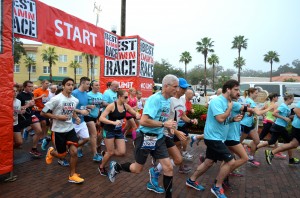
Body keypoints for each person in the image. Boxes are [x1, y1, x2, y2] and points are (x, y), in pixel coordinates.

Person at [107, 74, 178, 198]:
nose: (176, 90)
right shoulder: (155, 99)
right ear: (166, 86)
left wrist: (170, 126)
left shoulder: (168, 100)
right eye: (175, 87)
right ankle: (117, 166)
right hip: (145, 137)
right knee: (137, 169)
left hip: (159, 138)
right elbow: (144, 121)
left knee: (168, 168)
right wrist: (163, 124)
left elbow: (164, 119)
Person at [186, 79, 241, 198]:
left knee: (208, 162)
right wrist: (229, 109)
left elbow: (223, 120)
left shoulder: (227, 101)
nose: (238, 92)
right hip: (213, 138)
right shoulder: (217, 101)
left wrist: (232, 119)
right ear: (228, 89)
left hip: (218, 138)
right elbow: (220, 119)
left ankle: (191, 180)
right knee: (230, 161)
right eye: (236, 89)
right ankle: (217, 186)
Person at [41, 77, 84, 183]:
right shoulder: (56, 99)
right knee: (62, 155)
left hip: (70, 129)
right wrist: (57, 117)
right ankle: (51, 152)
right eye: (68, 84)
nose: (71, 86)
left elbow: (72, 110)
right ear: (63, 86)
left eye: (72, 85)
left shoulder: (75, 100)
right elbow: (43, 112)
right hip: (58, 130)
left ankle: (72, 175)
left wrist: (76, 117)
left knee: (74, 152)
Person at [98, 89, 140, 176]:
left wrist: (137, 115)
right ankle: (101, 167)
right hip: (109, 130)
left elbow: (134, 113)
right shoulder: (112, 106)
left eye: (127, 97)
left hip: (118, 131)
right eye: (125, 97)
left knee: (122, 152)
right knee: (111, 152)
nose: (127, 99)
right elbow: (101, 118)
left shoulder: (126, 106)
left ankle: (105, 153)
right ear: (119, 97)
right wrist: (113, 122)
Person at [259, 94, 299, 165]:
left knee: (272, 141)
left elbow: (285, 116)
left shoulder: (286, 106)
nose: (293, 101)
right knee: (290, 143)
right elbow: (274, 113)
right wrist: (284, 118)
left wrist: (291, 117)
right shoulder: (283, 106)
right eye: (293, 99)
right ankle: (290, 159)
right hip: (279, 126)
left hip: (278, 126)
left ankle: (256, 147)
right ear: (289, 99)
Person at [239, 88, 274, 167]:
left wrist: (262, 113)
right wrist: (268, 108)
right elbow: (257, 112)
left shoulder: (250, 101)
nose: (257, 94)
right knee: (236, 144)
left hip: (250, 125)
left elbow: (255, 112)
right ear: (251, 93)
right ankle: (227, 159)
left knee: (257, 140)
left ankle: (251, 158)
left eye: (257, 93)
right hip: (244, 125)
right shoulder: (250, 101)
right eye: (256, 93)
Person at [17, 80, 43, 157]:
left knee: (39, 130)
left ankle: (34, 149)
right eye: (29, 86)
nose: (31, 88)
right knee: (19, 140)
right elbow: (18, 109)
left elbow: (31, 103)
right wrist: (28, 105)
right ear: (25, 87)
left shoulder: (31, 94)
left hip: (31, 115)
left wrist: (33, 106)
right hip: (21, 117)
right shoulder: (19, 96)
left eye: (32, 86)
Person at [256, 93, 286, 158]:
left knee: (274, 137)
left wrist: (264, 117)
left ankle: (277, 151)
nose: (277, 98)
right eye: (277, 97)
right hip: (270, 123)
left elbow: (260, 110)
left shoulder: (267, 104)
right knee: (261, 137)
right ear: (273, 98)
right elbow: (275, 114)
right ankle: (252, 147)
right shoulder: (275, 105)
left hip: (266, 122)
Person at [72, 77, 93, 158]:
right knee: (71, 140)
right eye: (87, 84)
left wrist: (88, 107)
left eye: (89, 84)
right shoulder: (74, 93)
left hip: (82, 120)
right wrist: (80, 112)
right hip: (73, 121)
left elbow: (82, 106)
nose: (89, 86)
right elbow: (70, 107)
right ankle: (64, 153)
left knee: (86, 138)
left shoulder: (85, 93)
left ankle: (75, 148)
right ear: (82, 83)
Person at [85, 80, 103, 162]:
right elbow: (82, 105)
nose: (98, 86)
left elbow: (99, 107)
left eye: (98, 85)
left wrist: (98, 118)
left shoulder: (100, 95)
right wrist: (88, 106)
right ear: (91, 86)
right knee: (94, 134)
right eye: (96, 85)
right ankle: (95, 155)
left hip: (96, 116)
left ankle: (79, 148)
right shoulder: (87, 94)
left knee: (91, 135)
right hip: (88, 116)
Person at [33, 80, 50, 148]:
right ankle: (38, 136)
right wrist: (40, 97)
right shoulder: (37, 91)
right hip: (36, 110)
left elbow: (46, 100)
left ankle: (43, 136)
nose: (47, 84)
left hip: (43, 109)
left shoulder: (47, 91)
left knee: (44, 123)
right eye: (46, 83)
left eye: (48, 83)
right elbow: (32, 99)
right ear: (42, 83)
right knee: (38, 125)